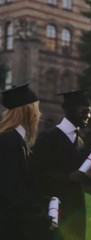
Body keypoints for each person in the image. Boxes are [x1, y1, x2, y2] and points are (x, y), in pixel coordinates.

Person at [32, 90, 91, 240]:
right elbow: (37, 174)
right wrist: (68, 177)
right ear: (69, 110)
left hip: (76, 210)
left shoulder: (80, 142)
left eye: (90, 112)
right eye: (84, 111)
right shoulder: (48, 138)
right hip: (55, 210)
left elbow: (82, 178)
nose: (87, 116)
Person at [0, 83, 55, 239]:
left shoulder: (19, 142)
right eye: (36, 109)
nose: (38, 114)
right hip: (10, 229)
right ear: (29, 110)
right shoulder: (8, 142)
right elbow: (13, 192)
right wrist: (41, 218)